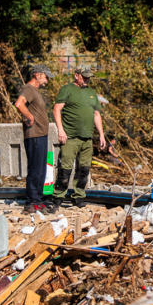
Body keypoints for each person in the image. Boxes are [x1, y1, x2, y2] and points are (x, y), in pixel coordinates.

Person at [51, 65, 105, 209]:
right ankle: (58, 197)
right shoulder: (67, 89)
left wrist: (101, 134)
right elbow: (57, 109)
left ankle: (79, 197)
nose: (87, 79)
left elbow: (96, 114)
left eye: (88, 77)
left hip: (87, 138)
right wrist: (60, 130)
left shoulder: (91, 93)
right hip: (70, 137)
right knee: (65, 168)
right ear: (76, 75)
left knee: (84, 169)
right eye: (84, 76)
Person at [14, 64, 54, 213]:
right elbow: (19, 104)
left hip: (40, 134)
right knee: (36, 169)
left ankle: (38, 200)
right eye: (46, 77)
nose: (47, 81)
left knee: (41, 169)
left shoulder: (34, 91)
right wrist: (29, 116)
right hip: (34, 135)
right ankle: (32, 202)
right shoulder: (28, 89)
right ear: (37, 75)